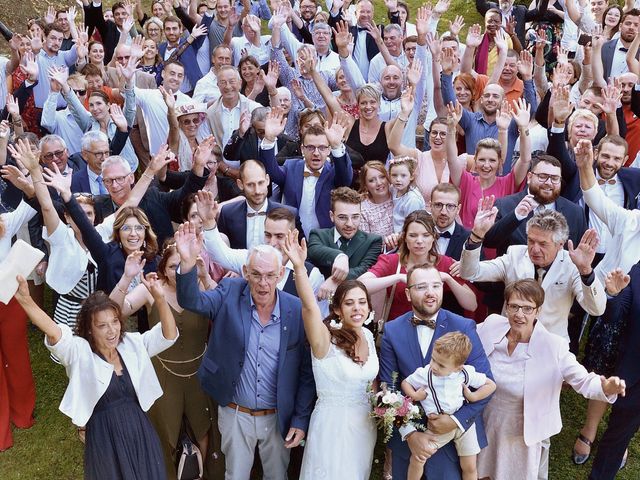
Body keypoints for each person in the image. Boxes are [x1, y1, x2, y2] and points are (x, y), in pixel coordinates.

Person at [174, 223, 315, 479]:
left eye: (270, 275)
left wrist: (300, 419)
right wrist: (186, 263)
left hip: (277, 417)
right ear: (245, 272)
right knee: (235, 475)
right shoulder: (228, 292)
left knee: (277, 476)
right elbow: (192, 301)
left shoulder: (295, 310)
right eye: (257, 274)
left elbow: (305, 372)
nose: (263, 283)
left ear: (281, 274)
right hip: (235, 412)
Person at [13, 275, 177, 479]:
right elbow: (55, 333)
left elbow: (168, 336)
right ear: (90, 330)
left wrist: (160, 300)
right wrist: (26, 300)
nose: (112, 331)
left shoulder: (132, 345)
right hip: (104, 438)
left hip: (140, 432)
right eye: (102, 326)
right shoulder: (79, 353)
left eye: (115, 322)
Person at [475, 279, 625, 480]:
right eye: (514, 307)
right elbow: (462, 340)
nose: (519, 314)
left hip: (522, 434)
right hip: (483, 422)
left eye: (527, 308)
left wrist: (605, 386)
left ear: (538, 311)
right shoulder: (491, 325)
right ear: (506, 307)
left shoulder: (554, 346)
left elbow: (582, 380)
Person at [379, 264, 493, 479]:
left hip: (454, 442)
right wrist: (410, 434)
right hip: (409, 447)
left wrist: (456, 421)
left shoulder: (464, 327)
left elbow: (487, 383)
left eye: (435, 285)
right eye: (421, 287)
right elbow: (388, 388)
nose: (430, 292)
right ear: (408, 293)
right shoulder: (393, 330)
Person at [110, 246, 216, 477]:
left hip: (199, 373)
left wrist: (205, 276)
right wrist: (127, 277)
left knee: (203, 428)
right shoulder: (151, 291)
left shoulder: (200, 287)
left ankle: (197, 473)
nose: (178, 271)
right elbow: (114, 311)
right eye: (172, 266)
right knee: (165, 430)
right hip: (163, 373)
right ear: (163, 270)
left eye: (183, 265)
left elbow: (227, 308)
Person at [283, 229, 378, 479]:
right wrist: (299, 267)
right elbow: (309, 306)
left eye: (361, 302)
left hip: (364, 427)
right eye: (349, 303)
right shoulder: (325, 339)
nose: (357, 308)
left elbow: (370, 384)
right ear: (336, 308)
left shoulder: (368, 336)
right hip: (332, 426)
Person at [460, 199, 606, 341]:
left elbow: (596, 309)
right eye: (531, 241)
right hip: (510, 341)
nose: (535, 249)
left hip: (551, 346)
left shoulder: (572, 264)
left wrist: (586, 270)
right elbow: (470, 272)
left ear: (560, 244)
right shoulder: (515, 254)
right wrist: (476, 236)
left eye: (543, 244)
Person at [402, 332, 496, 480]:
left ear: (458, 367)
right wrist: (415, 395)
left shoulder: (465, 373)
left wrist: (473, 396)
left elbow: (491, 385)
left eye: (441, 365)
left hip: (464, 426)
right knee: (418, 457)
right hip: (437, 426)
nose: (434, 366)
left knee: (470, 466)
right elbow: (406, 383)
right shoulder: (426, 373)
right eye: (433, 359)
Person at [360, 210, 477, 321]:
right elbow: (360, 285)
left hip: (434, 331)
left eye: (426, 235)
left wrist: (448, 279)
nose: (419, 241)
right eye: (413, 235)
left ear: (433, 237)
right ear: (405, 237)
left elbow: (472, 304)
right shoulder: (392, 261)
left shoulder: (444, 263)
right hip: (395, 332)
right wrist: (399, 277)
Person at [259, 108, 353, 237]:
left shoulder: (333, 172)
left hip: (325, 242)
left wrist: (337, 146)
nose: (316, 153)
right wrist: (269, 139)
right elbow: (270, 170)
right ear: (302, 149)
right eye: (310, 147)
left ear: (328, 150)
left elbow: (345, 179)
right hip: (293, 238)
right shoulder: (290, 167)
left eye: (321, 148)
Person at [446, 98, 531, 229]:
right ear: (474, 161)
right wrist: (451, 129)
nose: (486, 165)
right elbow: (451, 159)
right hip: (467, 245)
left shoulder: (507, 183)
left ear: (499, 163)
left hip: (496, 246)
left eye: (492, 160)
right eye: (481, 160)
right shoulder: (466, 181)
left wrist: (524, 128)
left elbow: (525, 159)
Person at [483, 154, 588, 256]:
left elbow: (581, 253)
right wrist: (516, 216)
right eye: (542, 176)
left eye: (555, 178)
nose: (549, 183)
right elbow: (488, 242)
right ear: (529, 177)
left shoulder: (576, 212)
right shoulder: (505, 205)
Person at [0, 195, 36, 451]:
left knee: (17, 356)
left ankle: (23, 413)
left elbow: (32, 204)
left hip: (9, 299)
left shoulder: (5, 222)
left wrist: (30, 174)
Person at [307, 187, 382, 300]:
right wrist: (339, 256)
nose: (350, 224)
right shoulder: (318, 235)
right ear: (332, 216)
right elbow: (314, 250)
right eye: (342, 217)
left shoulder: (373, 241)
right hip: (318, 302)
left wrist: (334, 280)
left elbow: (363, 271)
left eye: (355, 217)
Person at [216, 160, 300, 249]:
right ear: (240, 184)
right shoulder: (227, 213)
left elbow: (299, 251)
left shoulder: (290, 214)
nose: (257, 191)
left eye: (261, 183)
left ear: (267, 180)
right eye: (250, 185)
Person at [430, 183, 470, 260]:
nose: (443, 212)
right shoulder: (419, 233)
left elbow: (479, 269)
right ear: (430, 206)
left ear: (458, 209)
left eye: (450, 206)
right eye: (438, 205)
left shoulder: (468, 239)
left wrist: (464, 268)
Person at [358, 161, 394, 244]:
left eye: (382, 177)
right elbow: (366, 244)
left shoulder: (398, 194)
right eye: (371, 180)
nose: (379, 183)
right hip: (380, 253)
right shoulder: (363, 209)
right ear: (365, 185)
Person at [388, 157, 426, 233]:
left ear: (411, 176)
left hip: (406, 233)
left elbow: (412, 225)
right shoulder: (394, 188)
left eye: (403, 175)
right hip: (395, 231)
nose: (398, 179)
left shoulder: (412, 200)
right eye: (394, 175)